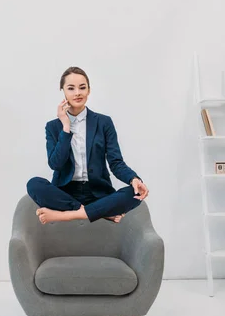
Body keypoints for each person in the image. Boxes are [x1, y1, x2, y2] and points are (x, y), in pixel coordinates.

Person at [26, 66, 149, 225]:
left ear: (89, 90)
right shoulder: (53, 127)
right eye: (71, 88)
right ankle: (101, 212)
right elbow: (55, 164)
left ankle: (66, 215)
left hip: (98, 192)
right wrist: (65, 127)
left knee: (134, 194)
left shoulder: (104, 122)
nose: (77, 92)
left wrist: (133, 179)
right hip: (65, 193)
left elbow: (116, 162)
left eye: (82, 87)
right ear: (63, 91)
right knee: (34, 184)